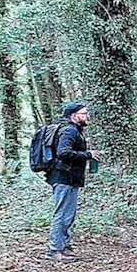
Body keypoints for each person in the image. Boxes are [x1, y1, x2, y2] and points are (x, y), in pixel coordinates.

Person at [45, 102, 99, 262]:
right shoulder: (69, 131)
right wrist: (87, 154)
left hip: (69, 178)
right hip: (63, 178)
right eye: (83, 114)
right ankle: (54, 250)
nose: (86, 116)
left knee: (68, 214)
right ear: (74, 116)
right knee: (61, 213)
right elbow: (63, 153)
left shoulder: (74, 130)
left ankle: (64, 246)